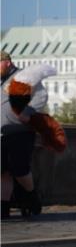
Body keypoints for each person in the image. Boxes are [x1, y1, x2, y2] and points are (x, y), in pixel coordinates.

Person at [1, 53, 49, 219]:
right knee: (3, 171)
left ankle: (31, 195)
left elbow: (41, 96)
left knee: (19, 168)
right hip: (2, 131)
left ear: (6, 63)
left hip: (20, 129)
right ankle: (3, 206)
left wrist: (27, 112)